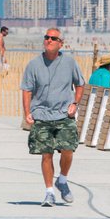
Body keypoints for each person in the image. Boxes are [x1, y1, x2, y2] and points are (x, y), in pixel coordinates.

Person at [21, 28, 84, 207]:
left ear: (60, 43)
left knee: (68, 150)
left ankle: (62, 180)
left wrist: (75, 104)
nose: (49, 40)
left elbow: (80, 84)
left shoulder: (70, 63)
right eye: (46, 37)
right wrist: (27, 112)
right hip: (41, 114)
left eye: (53, 38)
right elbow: (26, 89)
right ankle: (49, 192)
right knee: (46, 154)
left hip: (64, 114)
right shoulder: (33, 65)